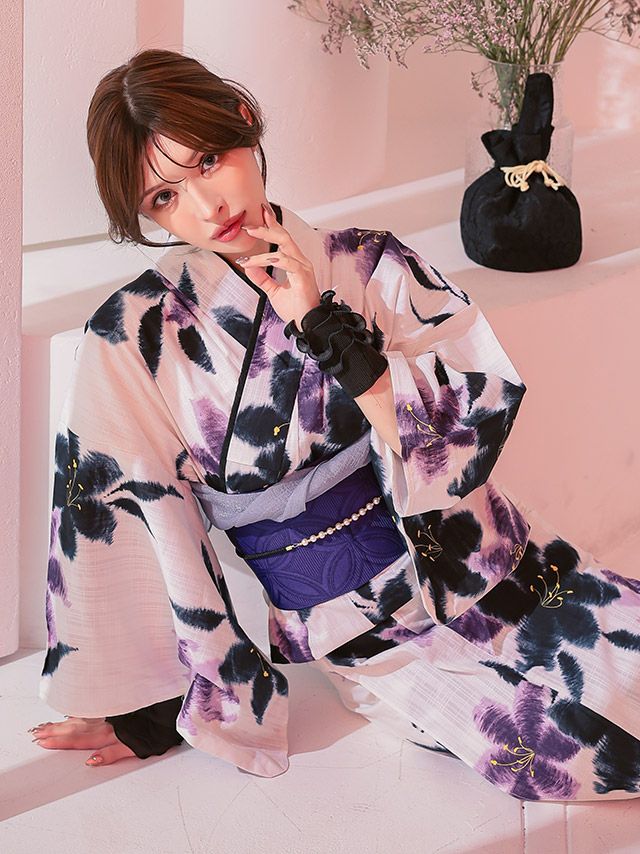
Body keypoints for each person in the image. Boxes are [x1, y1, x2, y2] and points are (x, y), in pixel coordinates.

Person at [31, 48, 640, 802]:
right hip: (361, 630)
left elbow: (473, 418)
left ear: (244, 122)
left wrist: (321, 322)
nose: (206, 206)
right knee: (571, 754)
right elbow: (121, 515)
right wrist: (149, 704)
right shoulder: (132, 335)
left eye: (209, 160)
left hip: (488, 559)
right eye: (164, 196)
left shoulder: (369, 261)